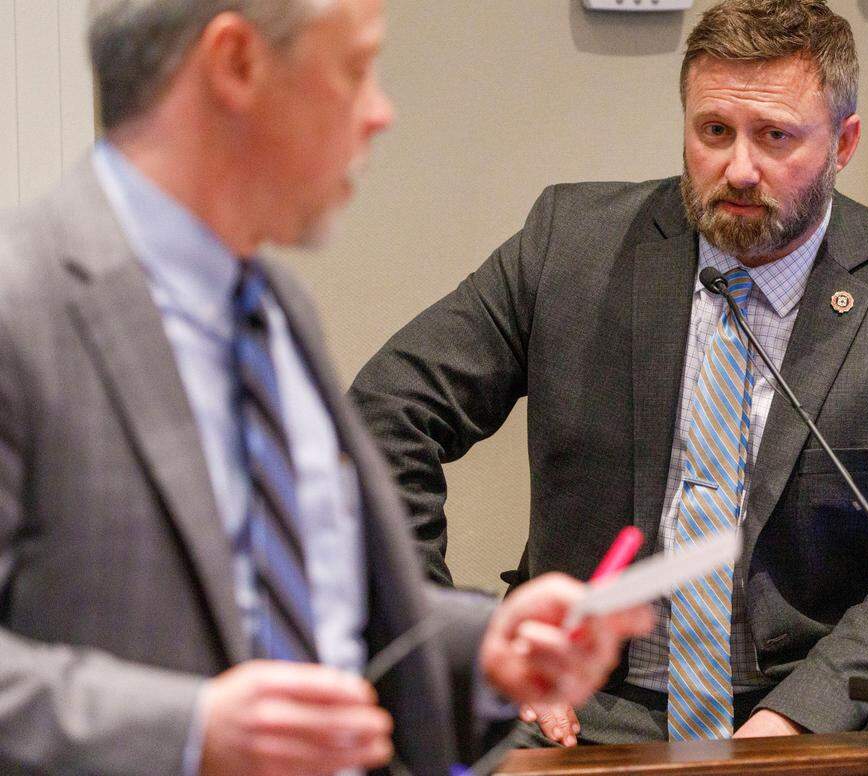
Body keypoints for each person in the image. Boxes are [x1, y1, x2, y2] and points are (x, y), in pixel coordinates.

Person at [0, 1, 652, 774]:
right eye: (353, 69)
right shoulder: (23, 305)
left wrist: (487, 648)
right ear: (236, 64)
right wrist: (187, 732)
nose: (380, 113)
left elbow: (328, 612)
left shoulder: (273, 308)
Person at [349, 0, 868, 747]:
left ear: (843, 144)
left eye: (776, 137)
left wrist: (794, 720)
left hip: (812, 705)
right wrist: (458, 642)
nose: (739, 168)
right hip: (579, 701)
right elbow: (381, 419)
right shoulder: (570, 245)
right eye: (715, 131)